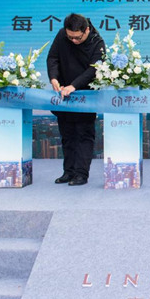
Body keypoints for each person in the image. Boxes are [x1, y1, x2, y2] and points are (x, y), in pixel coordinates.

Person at [47, 13, 105, 186]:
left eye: (77, 38)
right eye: (70, 37)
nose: (73, 41)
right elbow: (53, 58)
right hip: (63, 94)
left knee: (83, 134)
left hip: (85, 95)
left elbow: (94, 69)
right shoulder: (62, 35)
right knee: (67, 134)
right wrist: (54, 78)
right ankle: (68, 171)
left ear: (86, 30)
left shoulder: (97, 42)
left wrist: (74, 86)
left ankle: (81, 174)